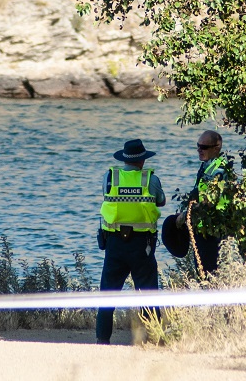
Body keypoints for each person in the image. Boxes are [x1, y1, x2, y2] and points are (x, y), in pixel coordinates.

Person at [95, 138, 165, 345]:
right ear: (142, 160)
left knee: (107, 293)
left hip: (114, 243)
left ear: (124, 158)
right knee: (148, 293)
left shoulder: (110, 177)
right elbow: (160, 200)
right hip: (141, 245)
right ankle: (154, 340)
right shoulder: (150, 179)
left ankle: (102, 339)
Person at [175, 129, 226, 274]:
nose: (199, 150)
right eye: (198, 146)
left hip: (213, 229)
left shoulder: (219, 170)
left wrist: (186, 215)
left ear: (216, 148)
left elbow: (209, 201)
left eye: (203, 147)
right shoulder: (207, 165)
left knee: (208, 273)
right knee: (202, 271)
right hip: (203, 227)